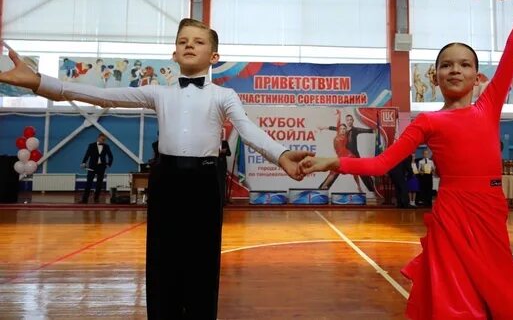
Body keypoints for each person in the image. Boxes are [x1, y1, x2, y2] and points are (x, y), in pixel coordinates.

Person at [299, 0, 513, 320]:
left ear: (478, 77)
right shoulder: (427, 121)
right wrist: (331, 161)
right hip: (451, 214)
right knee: (456, 302)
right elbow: (381, 164)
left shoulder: (488, 106)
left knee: (506, 300)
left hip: (490, 211)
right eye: (447, 65)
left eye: (464, 64)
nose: (455, 70)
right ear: (435, 77)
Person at [0, 18, 312, 320]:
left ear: (214, 56)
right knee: (163, 260)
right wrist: (39, 82)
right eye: (182, 41)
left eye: (198, 42)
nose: (189, 45)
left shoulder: (224, 95)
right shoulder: (157, 93)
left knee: (202, 262)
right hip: (167, 179)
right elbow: (100, 95)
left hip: (205, 180)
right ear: (174, 53)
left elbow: (248, 130)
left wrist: (281, 154)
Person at [317, 110, 363, 192]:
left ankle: (359, 187)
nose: (342, 130)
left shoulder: (346, 135)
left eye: (344, 129)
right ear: (339, 129)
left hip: (348, 156)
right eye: (341, 129)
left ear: (346, 130)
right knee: (333, 172)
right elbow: (337, 124)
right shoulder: (338, 134)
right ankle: (323, 188)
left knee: (355, 172)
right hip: (340, 157)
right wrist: (339, 115)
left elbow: (346, 128)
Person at [80, 133, 113, 204]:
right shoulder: (91, 145)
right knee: (88, 183)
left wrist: (109, 164)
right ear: (98, 138)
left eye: (104, 140)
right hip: (92, 166)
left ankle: (96, 198)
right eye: (102, 139)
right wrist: (83, 163)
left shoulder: (107, 146)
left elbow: (110, 156)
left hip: (101, 167)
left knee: (99, 184)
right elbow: (87, 155)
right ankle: (84, 199)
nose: (103, 141)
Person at [217, 137, 231, 205]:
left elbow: (229, 153)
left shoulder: (225, 142)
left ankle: (222, 201)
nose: (220, 134)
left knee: (222, 184)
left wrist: (225, 151)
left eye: (221, 133)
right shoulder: (213, 142)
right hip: (215, 165)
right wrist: (220, 152)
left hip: (223, 166)